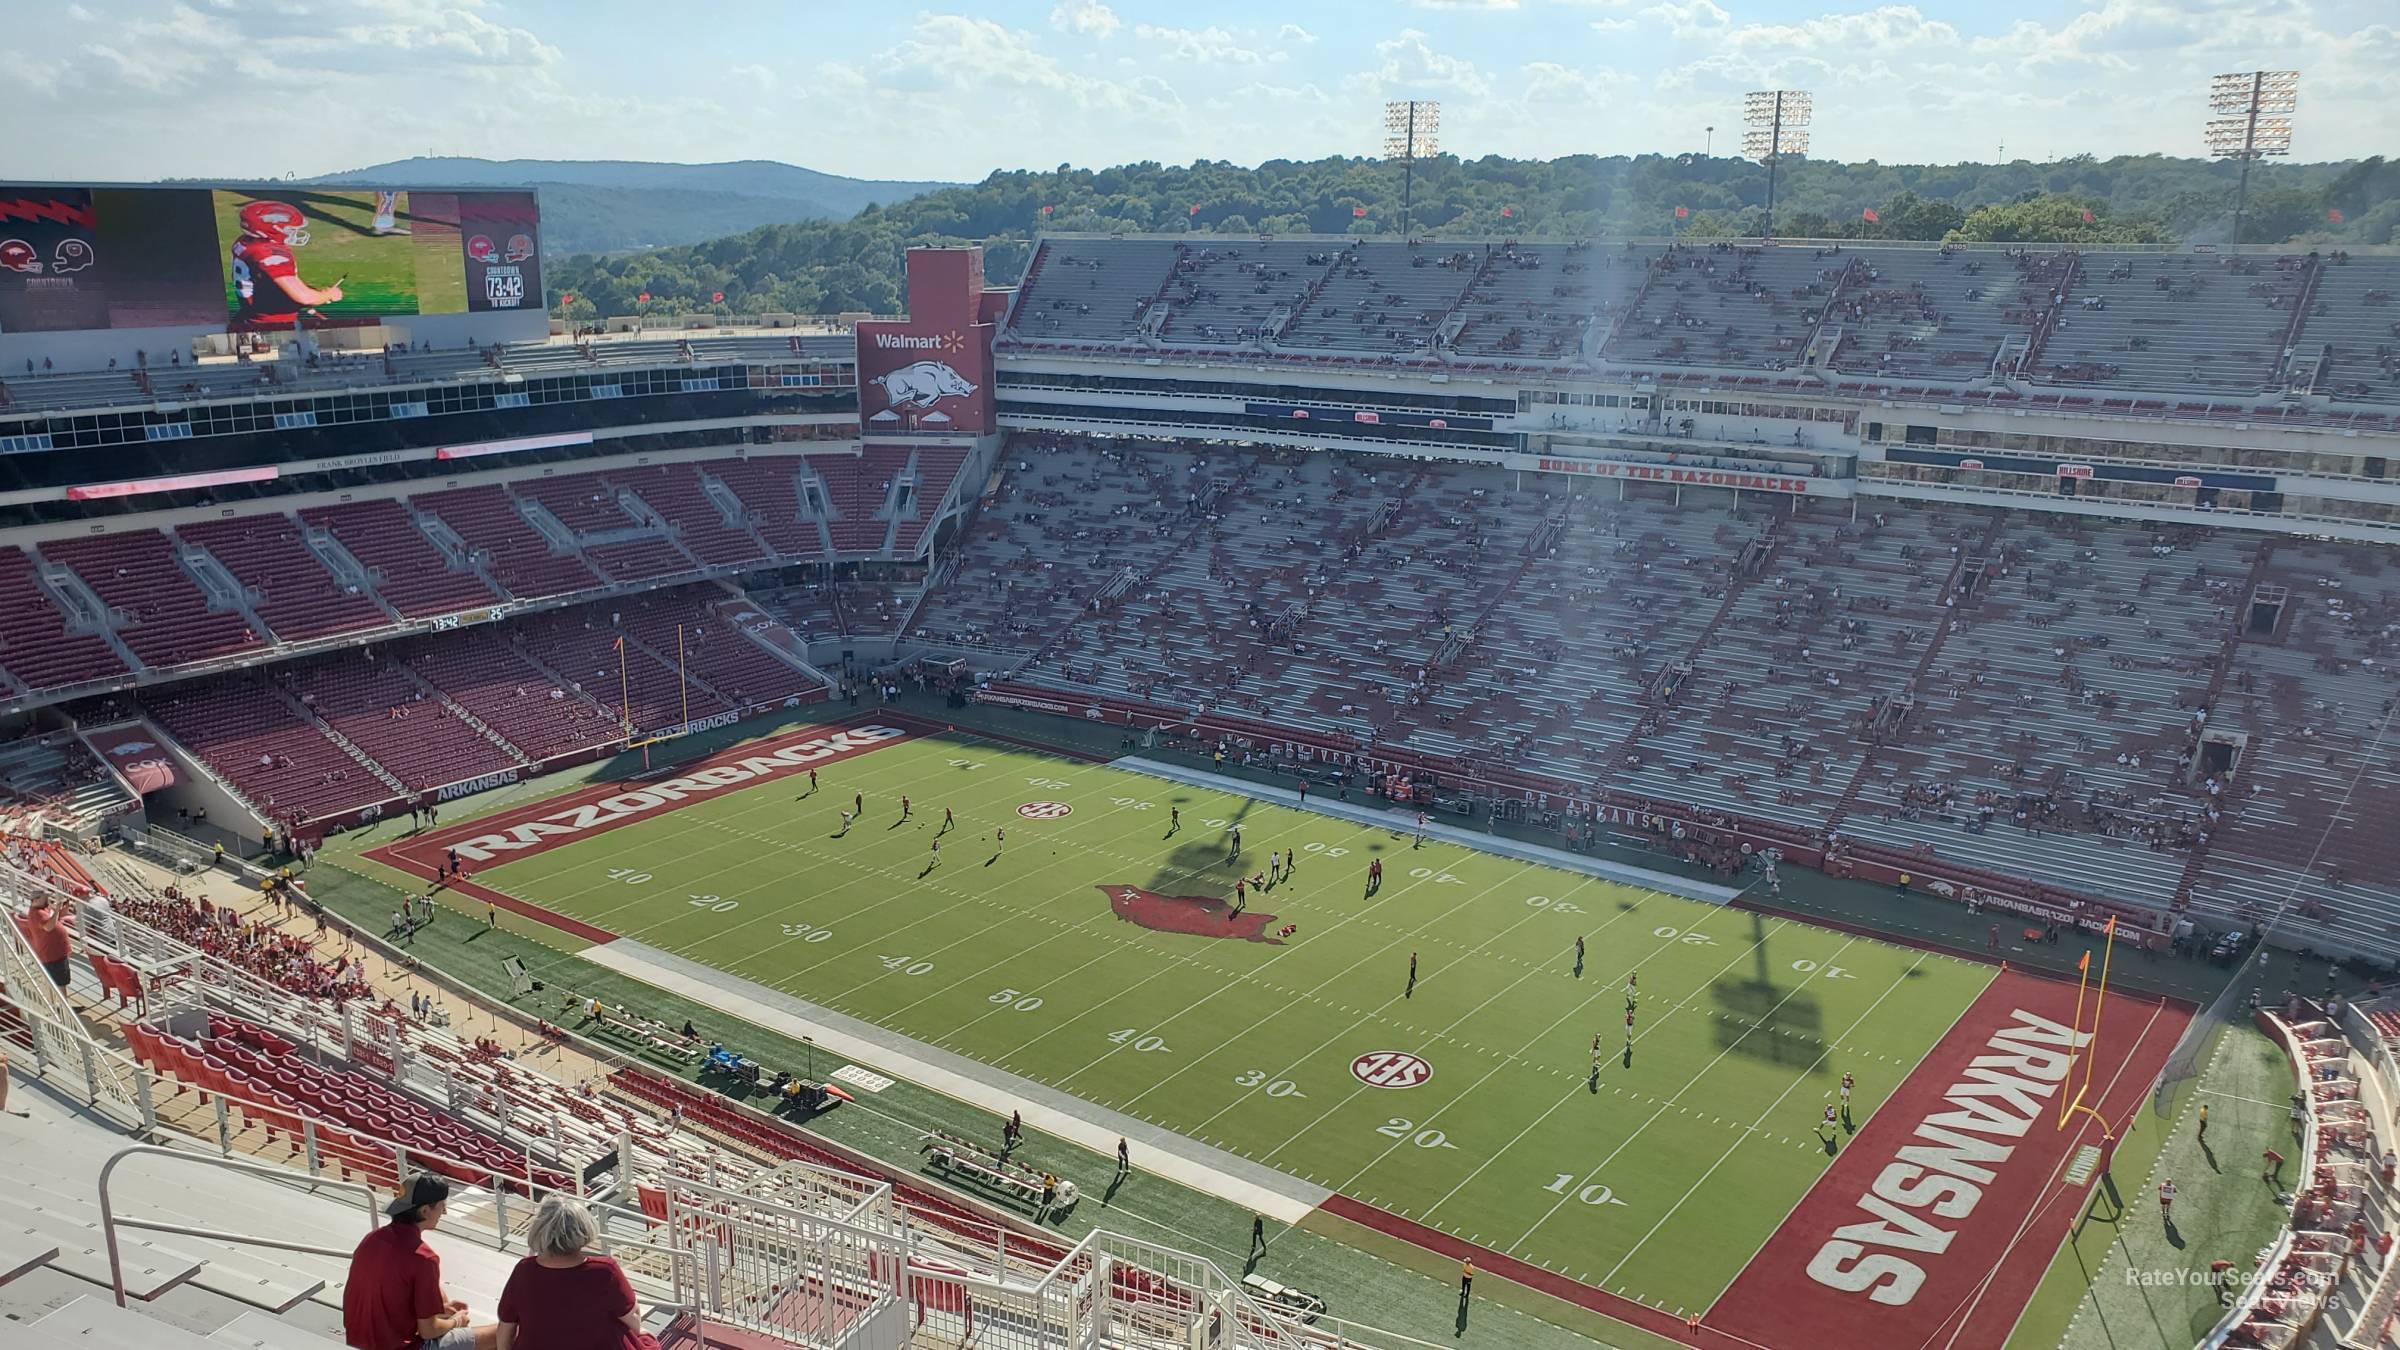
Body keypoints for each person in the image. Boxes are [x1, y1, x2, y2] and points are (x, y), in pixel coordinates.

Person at [344, 1174, 496, 1350]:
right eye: (442, 1205)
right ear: (424, 1211)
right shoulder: (424, 1258)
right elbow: (428, 1331)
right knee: (503, 1332)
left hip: (361, 1342)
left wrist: (443, 1309)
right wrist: (457, 1320)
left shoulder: (371, 1239)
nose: (444, 1212)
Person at [495, 1195, 651, 1350]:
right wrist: (642, 1334)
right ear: (583, 1229)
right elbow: (632, 1318)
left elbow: (506, 1326)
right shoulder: (604, 1271)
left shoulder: (524, 1270)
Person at [229, 199, 344, 330]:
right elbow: (303, 297)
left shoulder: (245, 242)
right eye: (290, 230)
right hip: (272, 324)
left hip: (251, 313)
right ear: (271, 230)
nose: (294, 233)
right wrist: (328, 295)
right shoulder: (269, 254)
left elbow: (270, 282)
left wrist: (314, 293)